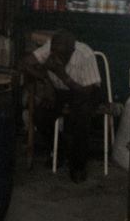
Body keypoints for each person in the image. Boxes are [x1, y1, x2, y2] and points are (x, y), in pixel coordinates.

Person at [20, 30, 101, 183]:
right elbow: (24, 63)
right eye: (54, 53)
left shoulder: (85, 54)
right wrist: (46, 81)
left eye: (61, 55)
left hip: (85, 90)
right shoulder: (50, 48)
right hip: (60, 90)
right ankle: (60, 150)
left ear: (71, 51)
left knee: (80, 119)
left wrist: (62, 74)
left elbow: (87, 91)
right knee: (40, 116)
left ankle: (78, 166)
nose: (56, 57)